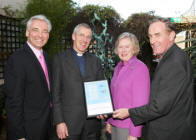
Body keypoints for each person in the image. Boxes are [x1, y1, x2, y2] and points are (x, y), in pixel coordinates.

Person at [113, 17, 196, 140]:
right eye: (150, 36)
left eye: (157, 35)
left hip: (171, 132)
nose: (153, 41)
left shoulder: (174, 62)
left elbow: (160, 106)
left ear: (171, 35)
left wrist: (129, 113)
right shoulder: (171, 57)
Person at [51, 23, 105, 140]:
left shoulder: (96, 61)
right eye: (81, 35)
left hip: (92, 125)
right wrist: (59, 121)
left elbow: (101, 89)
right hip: (69, 125)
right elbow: (55, 94)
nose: (84, 40)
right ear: (73, 36)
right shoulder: (59, 59)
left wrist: (102, 109)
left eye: (88, 37)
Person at [4, 15, 52, 140]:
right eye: (35, 30)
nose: (40, 35)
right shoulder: (17, 59)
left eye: (45, 31)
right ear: (27, 32)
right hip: (27, 131)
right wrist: (19, 135)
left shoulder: (46, 56)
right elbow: (13, 102)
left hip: (45, 126)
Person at [105, 32, 150, 140]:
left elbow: (141, 105)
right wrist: (109, 121)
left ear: (134, 48)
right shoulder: (117, 67)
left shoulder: (140, 68)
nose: (123, 50)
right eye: (120, 47)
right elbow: (114, 97)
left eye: (127, 47)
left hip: (128, 127)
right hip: (114, 124)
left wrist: (135, 133)